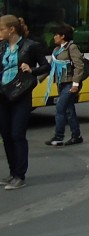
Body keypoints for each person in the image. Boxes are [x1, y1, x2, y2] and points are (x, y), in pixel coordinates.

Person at [0, 14, 51, 190]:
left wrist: (31, 69)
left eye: (1, 29)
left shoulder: (30, 46)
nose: (0, 32)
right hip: (3, 94)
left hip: (21, 94)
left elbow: (46, 66)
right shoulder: (2, 47)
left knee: (17, 134)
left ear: (11, 30)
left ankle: (20, 175)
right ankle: (12, 172)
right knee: (6, 135)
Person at [45, 24, 86, 147]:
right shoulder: (56, 50)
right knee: (69, 110)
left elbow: (79, 66)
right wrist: (36, 78)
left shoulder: (72, 47)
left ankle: (58, 137)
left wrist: (75, 84)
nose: (54, 37)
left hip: (69, 83)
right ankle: (76, 135)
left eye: (56, 35)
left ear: (63, 36)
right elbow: (49, 67)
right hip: (60, 83)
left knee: (60, 108)